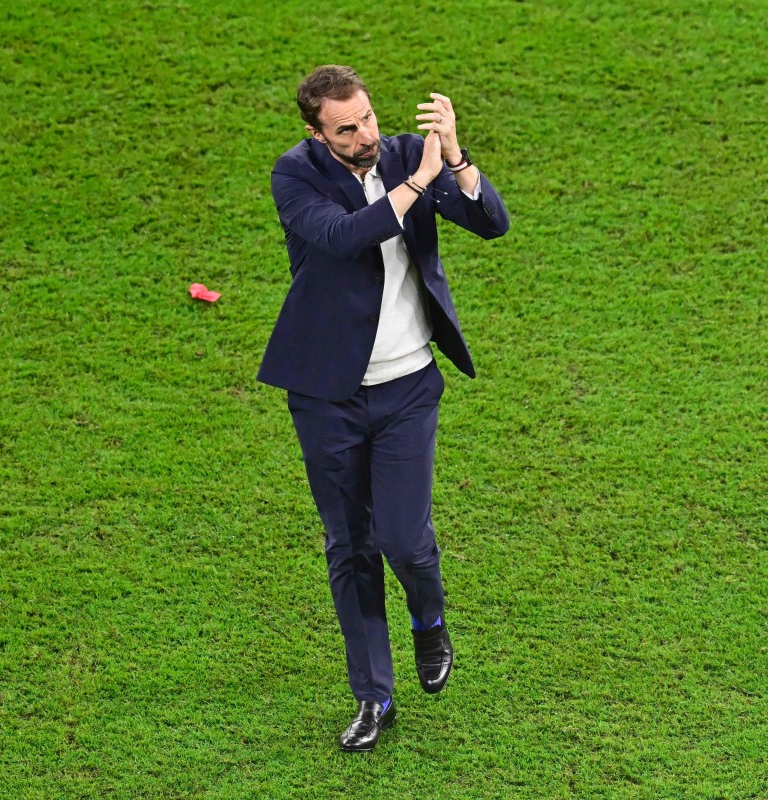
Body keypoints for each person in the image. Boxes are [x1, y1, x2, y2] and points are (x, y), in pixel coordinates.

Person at [257, 65, 510, 752]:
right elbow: (345, 237)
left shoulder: (407, 153)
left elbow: (492, 223)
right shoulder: (296, 177)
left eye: (368, 119)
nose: (366, 135)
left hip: (407, 388)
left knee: (403, 539)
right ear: (316, 132)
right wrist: (418, 181)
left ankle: (430, 622)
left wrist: (454, 158)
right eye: (347, 129)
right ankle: (374, 696)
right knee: (350, 545)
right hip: (325, 394)